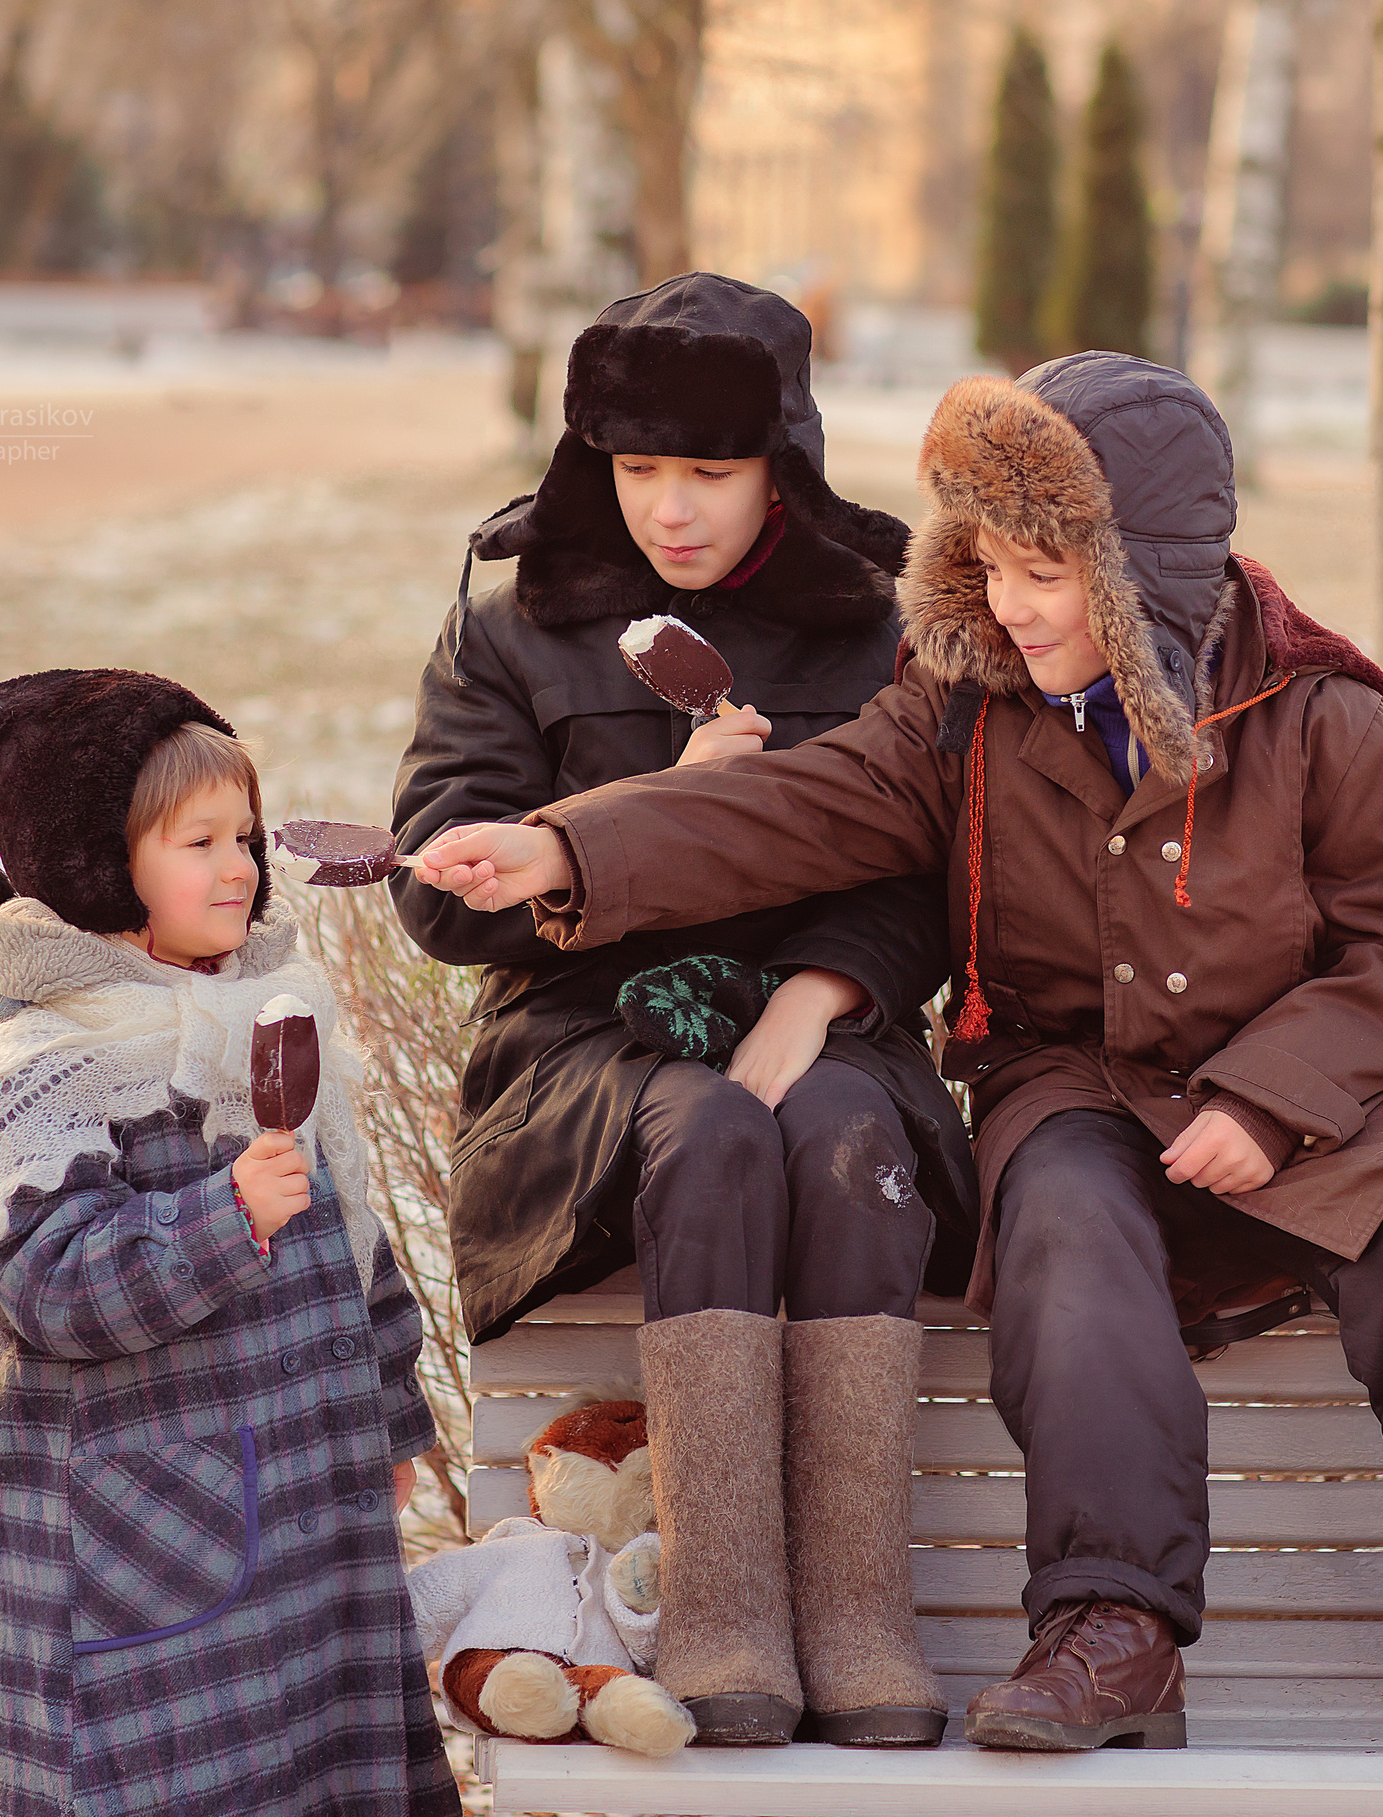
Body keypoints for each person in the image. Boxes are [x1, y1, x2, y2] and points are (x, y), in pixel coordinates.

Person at [409, 355, 1383, 1760]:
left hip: (1330, 1099)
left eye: (1043, 573)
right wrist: (566, 847)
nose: (1008, 605)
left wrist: (1269, 1101)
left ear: (1148, 579)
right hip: (1078, 1083)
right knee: (1066, 1228)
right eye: (988, 566)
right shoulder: (964, 706)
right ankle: (1110, 1629)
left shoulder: (1325, 716)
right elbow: (797, 805)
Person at [388, 272, 976, 1749]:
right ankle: (721, 1605)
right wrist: (660, 804)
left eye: (709, 470)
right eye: (637, 465)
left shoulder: (880, 625)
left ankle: (857, 1609)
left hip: (826, 1011)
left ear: (783, 456)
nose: (670, 507)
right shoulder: (515, 625)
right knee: (709, 1130)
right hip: (587, 1042)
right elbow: (442, 899)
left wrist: (819, 996)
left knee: (840, 1132)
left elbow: (936, 871)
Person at [0, 670, 457, 1815]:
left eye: (244, 837)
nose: (239, 865)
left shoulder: (263, 1008)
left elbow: (355, 1246)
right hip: (151, 1541)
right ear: (98, 865)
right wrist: (225, 1214)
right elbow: (46, 1283)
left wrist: (392, 1415)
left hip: (306, 1500)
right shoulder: (49, 1062)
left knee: (323, 1761)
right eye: (197, 841)